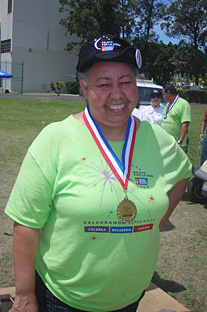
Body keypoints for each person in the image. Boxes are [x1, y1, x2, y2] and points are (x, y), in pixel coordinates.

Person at [5, 35, 192, 312]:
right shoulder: (54, 140)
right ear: (84, 88)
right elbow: (26, 223)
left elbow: (183, 173)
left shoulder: (159, 140)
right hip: (63, 300)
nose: (116, 93)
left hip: (130, 297)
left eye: (125, 82)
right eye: (103, 84)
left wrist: (157, 219)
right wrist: (24, 294)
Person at [161, 83, 191, 153]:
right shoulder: (168, 104)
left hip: (177, 143)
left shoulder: (183, 104)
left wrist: (180, 141)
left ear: (168, 93)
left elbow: (185, 124)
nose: (163, 96)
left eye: (163, 94)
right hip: (167, 142)